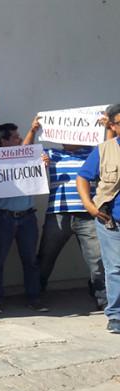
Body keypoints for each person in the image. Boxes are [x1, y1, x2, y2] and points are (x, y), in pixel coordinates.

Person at [24, 116, 108, 310]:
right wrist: (33, 130)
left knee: (97, 260)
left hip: (87, 214)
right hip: (58, 214)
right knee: (46, 257)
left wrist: (107, 127)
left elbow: (109, 149)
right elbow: (24, 154)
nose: (64, 139)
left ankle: (102, 298)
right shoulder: (52, 154)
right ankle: (35, 295)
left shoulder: (93, 153)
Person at [0, 123, 47, 314]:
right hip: (1, 218)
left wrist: (42, 163)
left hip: (27, 217)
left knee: (30, 260)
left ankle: (34, 298)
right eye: (15, 137)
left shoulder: (27, 158)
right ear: (3, 141)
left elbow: (29, 150)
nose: (19, 140)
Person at [77, 104, 120, 334]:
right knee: (115, 269)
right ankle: (116, 316)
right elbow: (83, 177)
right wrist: (89, 205)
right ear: (112, 125)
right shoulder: (103, 150)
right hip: (111, 221)